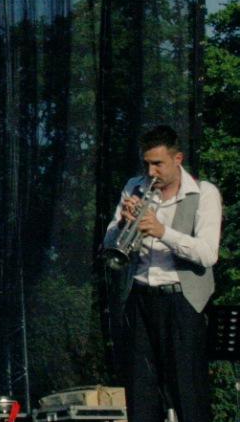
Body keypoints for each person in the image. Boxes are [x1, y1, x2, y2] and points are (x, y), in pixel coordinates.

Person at [103, 125, 221, 422]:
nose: (151, 172)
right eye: (146, 163)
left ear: (177, 159)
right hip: (140, 296)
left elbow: (208, 253)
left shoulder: (203, 193)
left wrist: (162, 231)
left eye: (158, 163)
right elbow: (108, 242)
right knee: (141, 393)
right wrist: (123, 224)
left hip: (182, 299)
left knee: (188, 393)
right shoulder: (134, 186)